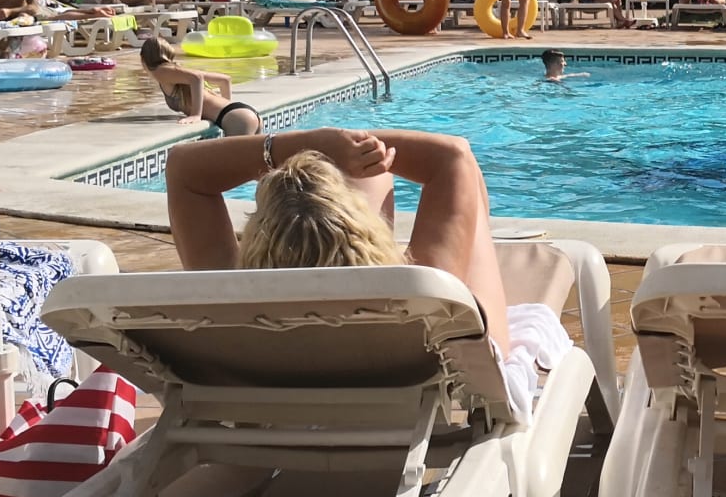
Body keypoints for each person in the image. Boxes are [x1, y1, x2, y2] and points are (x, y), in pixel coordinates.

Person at [162, 126, 567, 418]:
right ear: (362, 227)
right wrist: (352, 145)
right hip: (409, 374)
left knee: (366, 175)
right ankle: (353, 187)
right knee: (392, 175)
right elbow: (455, 156)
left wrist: (312, 144)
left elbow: (183, 168)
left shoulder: (230, 289)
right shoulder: (419, 287)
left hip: (278, 383)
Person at [140, 36, 262, 136]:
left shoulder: (160, 71)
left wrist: (196, 115)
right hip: (240, 113)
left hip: (236, 118)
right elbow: (225, 80)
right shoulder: (177, 71)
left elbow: (197, 78)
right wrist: (226, 109)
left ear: (143, 59)